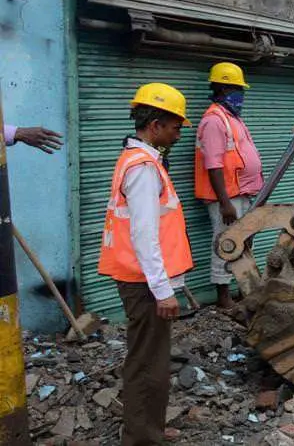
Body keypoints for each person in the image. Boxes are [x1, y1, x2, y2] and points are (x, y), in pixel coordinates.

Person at [97, 82, 193, 446]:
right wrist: (163, 290)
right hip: (145, 283)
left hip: (144, 281)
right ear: (154, 125)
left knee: (154, 360)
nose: (179, 131)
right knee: (147, 364)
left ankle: (149, 428)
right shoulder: (142, 169)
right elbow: (143, 235)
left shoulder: (142, 161)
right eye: (175, 125)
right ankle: (141, 438)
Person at [195, 62, 263, 309]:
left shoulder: (231, 117)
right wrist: (224, 203)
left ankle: (243, 290)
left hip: (241, 193)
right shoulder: (214, 120)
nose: (241, 94)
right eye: (237, 89)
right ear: (223, 88)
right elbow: (213, 164)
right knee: (225, 242)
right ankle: (223, 298)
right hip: (227, 198)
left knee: (243, 242)